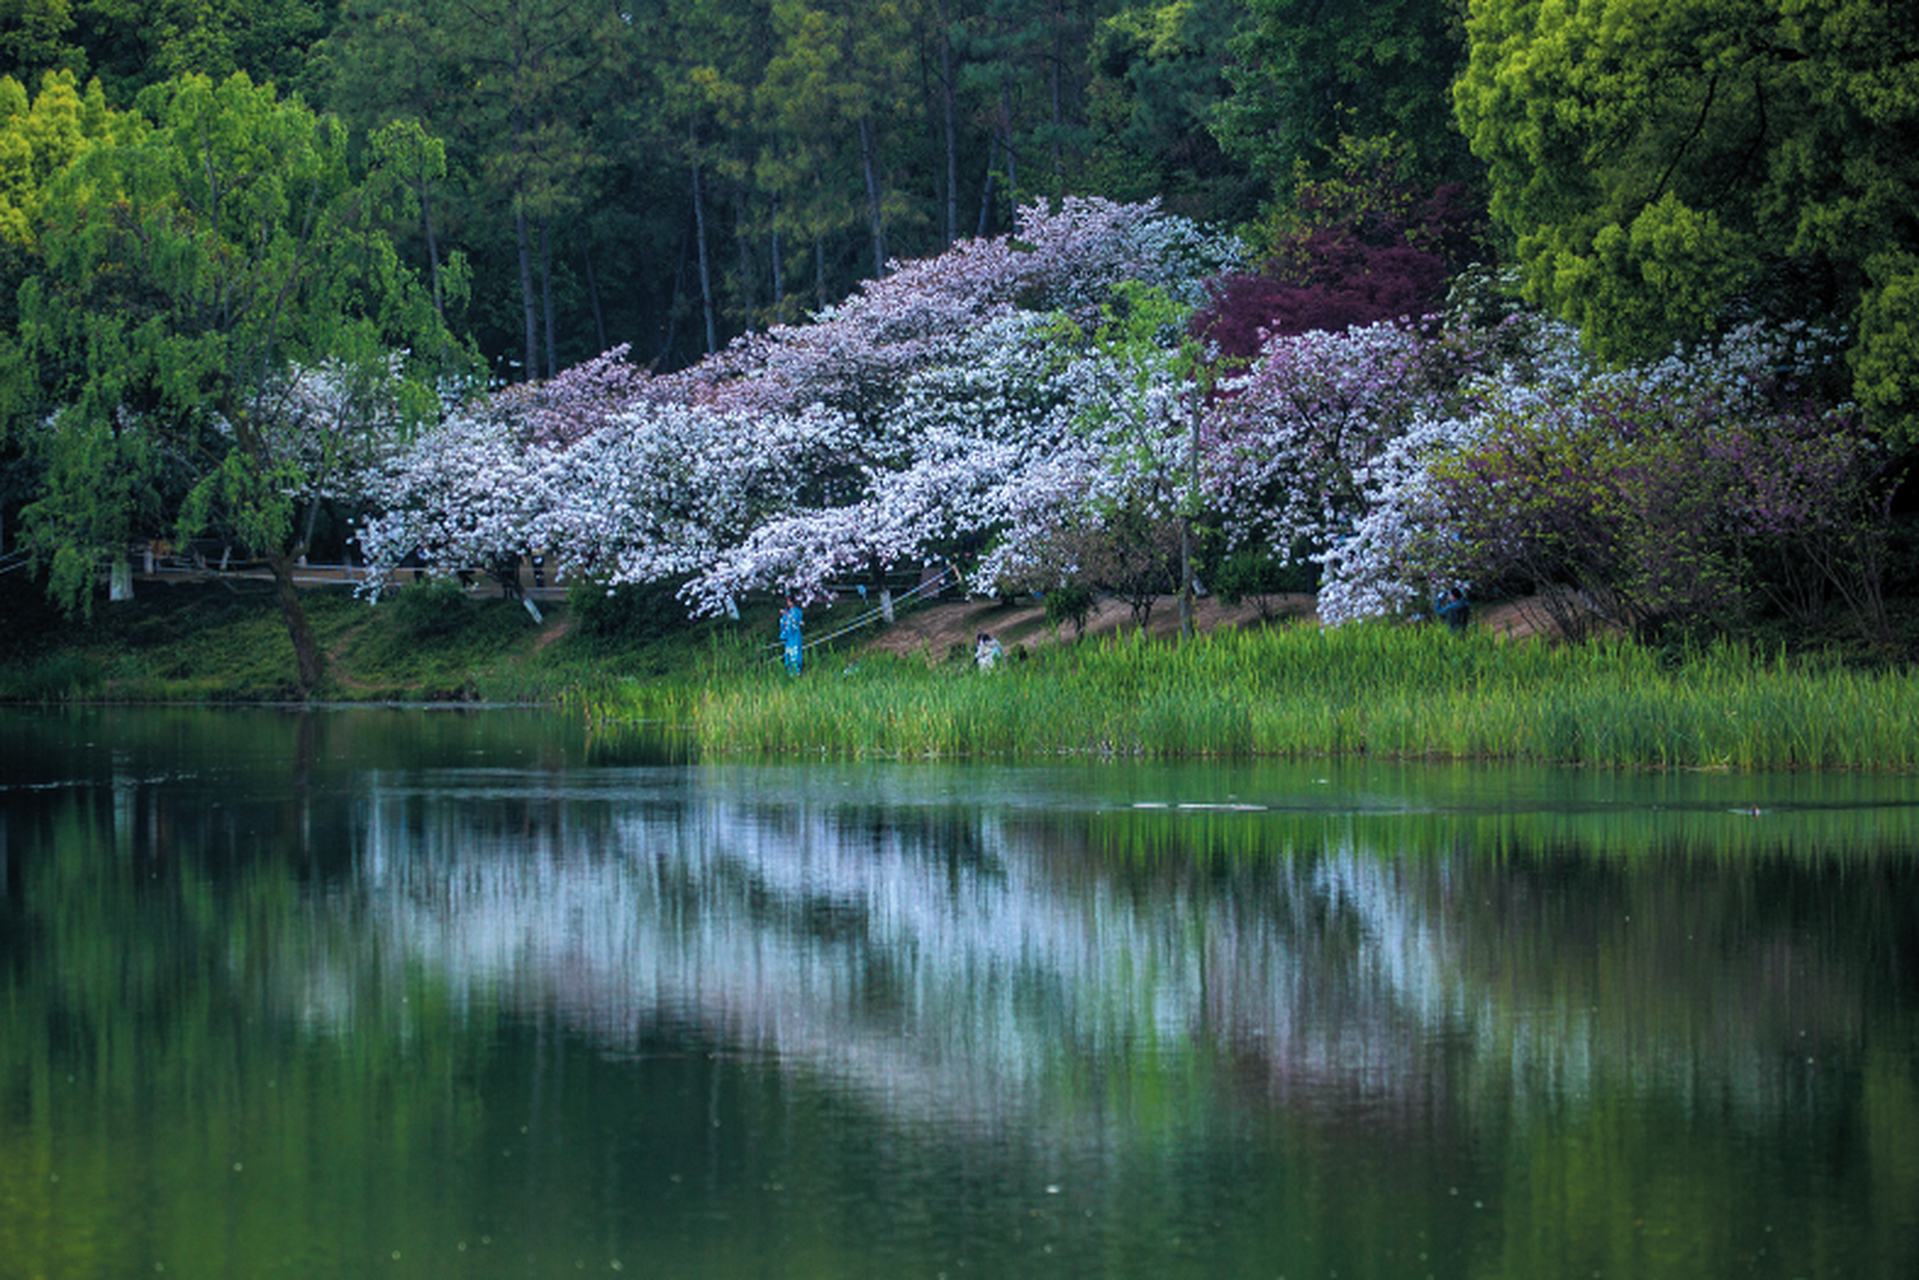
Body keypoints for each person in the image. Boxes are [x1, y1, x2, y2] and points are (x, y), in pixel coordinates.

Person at [780, 596, 805, 675]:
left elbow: (795, 620)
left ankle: (797, 668)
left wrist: (788, 616)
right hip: (789, 635)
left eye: (789, 601)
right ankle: (789, 668)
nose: (788, 603)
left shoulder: (796, 611)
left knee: (795, 649)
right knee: (788, 650)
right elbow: (784, 620)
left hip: (795, 634)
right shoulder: (787, 611)